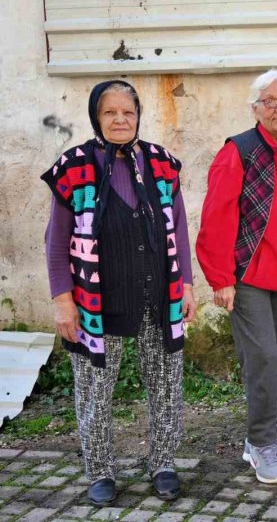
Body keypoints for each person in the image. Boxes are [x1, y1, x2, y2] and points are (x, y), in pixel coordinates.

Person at [42, 80, 196, 506]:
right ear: (97, 117)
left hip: (157, 295)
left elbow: (178, 228)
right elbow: (56, 242)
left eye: (127, 111)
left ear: (138, 114)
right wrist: (62, 302)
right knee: (94, 389)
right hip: (96, 302)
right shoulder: (74, 167)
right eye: (110, 112)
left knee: (166, 385)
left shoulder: (161, 163)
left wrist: (185, 284)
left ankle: (163, 462)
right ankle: (100, 470)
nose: (120, 119)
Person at [196, 69, 277, 484]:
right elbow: (215, 217)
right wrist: (220, 277)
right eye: (270, 101)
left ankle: (268, 434)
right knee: (263, 357)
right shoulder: (240, 151)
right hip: (248, 276)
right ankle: (259, 444)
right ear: (255, 108)